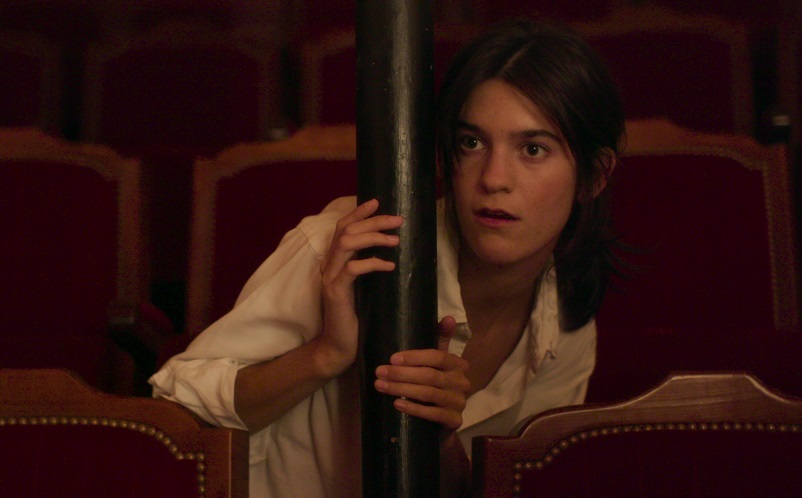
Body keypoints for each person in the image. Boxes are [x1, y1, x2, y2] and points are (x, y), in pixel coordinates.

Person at [150, 18, 625, 497]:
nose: (494, 178)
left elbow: (509, 489)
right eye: (472, 143)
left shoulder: (565, 319)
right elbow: (175, 418)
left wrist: (439, 438)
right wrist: (325, 355)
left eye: (533, 149)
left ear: (594, 176)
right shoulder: (351, 246)